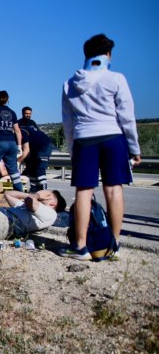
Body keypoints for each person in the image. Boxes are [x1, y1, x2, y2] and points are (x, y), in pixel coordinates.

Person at [60, 34, 140, 260]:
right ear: (108, 55)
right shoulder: (116, 78)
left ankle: (81, 246)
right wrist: (134, 147)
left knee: (84, 192)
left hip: (85, 138)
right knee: (114, 189)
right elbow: (127, 116)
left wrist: (72, 147)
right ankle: (114, 242)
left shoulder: (69, 84)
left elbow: (68, 122)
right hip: (113, 136)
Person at [19, 123, 55, 192]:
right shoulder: (21, 131)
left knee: (39, 168)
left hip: (44, 145)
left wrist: (18, 161)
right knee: (31, 168)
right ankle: (34, 190)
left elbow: (26, 151)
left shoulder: (22, 132)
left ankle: (43, 191)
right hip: (34, 148)